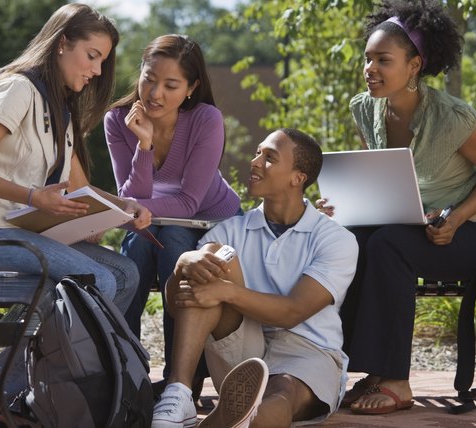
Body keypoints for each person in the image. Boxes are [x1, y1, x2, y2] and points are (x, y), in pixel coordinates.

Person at [0, 3, 151, 412]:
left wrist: (123, 207)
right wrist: (35, 198)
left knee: (125, 273)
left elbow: (79, 187)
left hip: (17, 232)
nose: (97, 71)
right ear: (62, 43)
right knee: (96, 283)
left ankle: (46, 383)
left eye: (102, 62)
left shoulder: (61, 105)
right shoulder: (17, 89)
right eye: (92, 56)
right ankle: (8, 385)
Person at [317, 0, 476, 415]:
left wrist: (456, 218)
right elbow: (382, 178)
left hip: (474, 233)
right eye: (367, 58)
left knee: (387, 245)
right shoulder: (364, 108)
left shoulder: (454, 117)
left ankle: (398, 382)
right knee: (350, 241)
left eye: (383, 60)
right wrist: (343, 205)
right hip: (414, 228)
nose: (370, 68)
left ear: (415, 65)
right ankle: (366, 369)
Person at [150, 128, 358, 428]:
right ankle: (179, 391)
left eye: (269, 157)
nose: (255, 162)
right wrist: (183, 264)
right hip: (243, 341)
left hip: (308, 348)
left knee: (281, 393)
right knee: (212, 255)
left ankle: (237, 420)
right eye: (257, 153)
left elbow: (292, 312)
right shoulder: (230, 230)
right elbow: (177, 305)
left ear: (297, 177)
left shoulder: (335, 239)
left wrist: (226, 293)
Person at [104, 34, 240, 394]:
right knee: (134, 252)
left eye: (170, 85)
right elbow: (131, 198)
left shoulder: (205, 119)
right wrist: (144, 145)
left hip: (210, 219)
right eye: (148, 78)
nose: (154, 93)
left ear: (191, 88)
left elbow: (189, 203)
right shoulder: (119, 120)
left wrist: (135, 208)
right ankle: (126, 371)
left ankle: (182, 377)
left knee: (176, 242)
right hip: (155, 218)